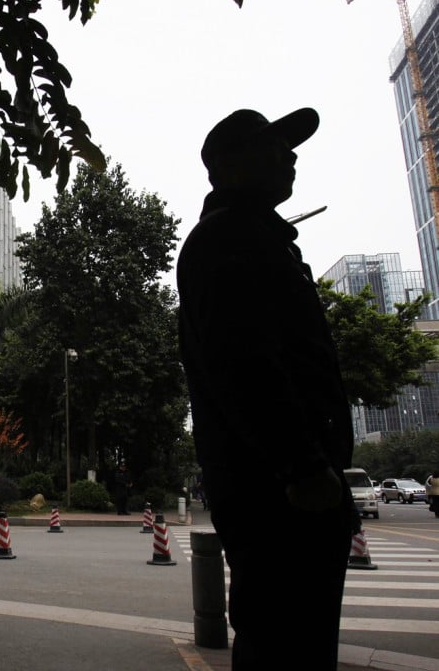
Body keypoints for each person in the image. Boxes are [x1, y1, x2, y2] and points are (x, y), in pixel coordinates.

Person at [177, 108, 359, 669]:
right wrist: (302, 467)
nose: (290, 155)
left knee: (294, 637)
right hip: (279, 491)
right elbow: (245, 362)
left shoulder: (261, 239)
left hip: (287, 484)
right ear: (228, 166)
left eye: (290, 146)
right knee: (285, 640)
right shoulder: (230, 240)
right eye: (273, 145)